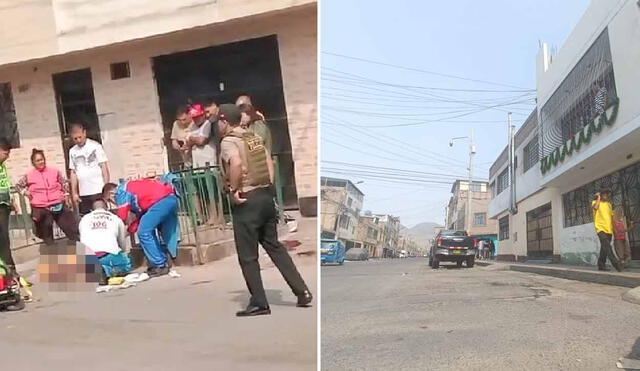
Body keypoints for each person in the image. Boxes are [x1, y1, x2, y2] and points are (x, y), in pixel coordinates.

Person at [218, 103, 311, 317]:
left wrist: (234, 190)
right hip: (265, 197)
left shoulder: (229, 141)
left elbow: (236, 163)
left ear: (224, 121)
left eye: (219, 123)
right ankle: (302, 291)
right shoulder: (252, 137)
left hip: (247, 200)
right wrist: (267, 186)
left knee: (248, 256)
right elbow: (269, 162)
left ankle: (260, 303)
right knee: (274, 246)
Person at [102, 178, 178, 277]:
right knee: (147, 229)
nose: (113, 203)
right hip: (167, 198)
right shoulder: (130, 188)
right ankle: (160, 261)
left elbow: (122, 216)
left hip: (161, 200)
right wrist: (130, 230)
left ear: (111, 193)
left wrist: (116, 234)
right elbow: (138, 217)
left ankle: (160, 264)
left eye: (109, 200)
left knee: (144, 231)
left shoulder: (120, 191)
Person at [15, 149, 79, 246]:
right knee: (47, 236)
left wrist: (66, 195)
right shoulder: (29, 175)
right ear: (33, 163)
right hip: (41, 208)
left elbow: (64, 182)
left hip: (58, 204)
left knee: (71, 230)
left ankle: (80, 252)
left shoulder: (54, 171)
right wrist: (25, 192)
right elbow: (18, 186)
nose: (41, 162)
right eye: (38, 160)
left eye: (42, 159)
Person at [79, 199, 132, 284]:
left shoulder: (84, 219)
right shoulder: (115, 219)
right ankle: (106, 270)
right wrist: (122, 253)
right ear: (107, 208)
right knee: (126, 263)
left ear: (92, 210)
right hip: (107, 255)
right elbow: (122, 243)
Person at [68, 122, 110, 216]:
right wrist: (74, 193)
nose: (78, 140)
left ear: (84, 133)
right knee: (86, 220)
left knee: (101, 217)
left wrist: (106, 189)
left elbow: (104, 167)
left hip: (98, 189)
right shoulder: (72, 151)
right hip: (84, 192)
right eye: (75, 138)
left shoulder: (95, 146)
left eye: (80, 137)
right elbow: (73, 172)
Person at [592, 190, 622, 272]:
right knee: (608, 247)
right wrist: (598, 197)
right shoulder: (595, 202)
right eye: (604, 194)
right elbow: (595, 208)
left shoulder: (609, 205)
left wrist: (614, 228)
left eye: (607, 194)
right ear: (601, 195)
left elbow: (611, 217)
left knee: (604, 248)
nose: (606, 195)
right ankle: (617, 264)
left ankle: (601, 265)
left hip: (609, 229)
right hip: (600, 228)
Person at [0, 139, 16, 274]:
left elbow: (5, 184)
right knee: (3, 239)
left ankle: (11, 271)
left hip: (4, 205)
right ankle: (8, 272)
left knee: (5, 239)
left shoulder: (2, 166)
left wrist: (12, 201)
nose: (7, 156)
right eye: (5, 153)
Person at [185, 104, 216, 168]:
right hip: (196, 162)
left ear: (203, 115)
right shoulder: (192, 126)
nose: (195, 119)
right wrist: (193, 140)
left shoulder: (207, 123)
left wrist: (192, 139)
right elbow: (187, 142)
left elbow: (201, 141)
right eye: (194, 117)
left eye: (197, 117)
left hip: (208, 161)